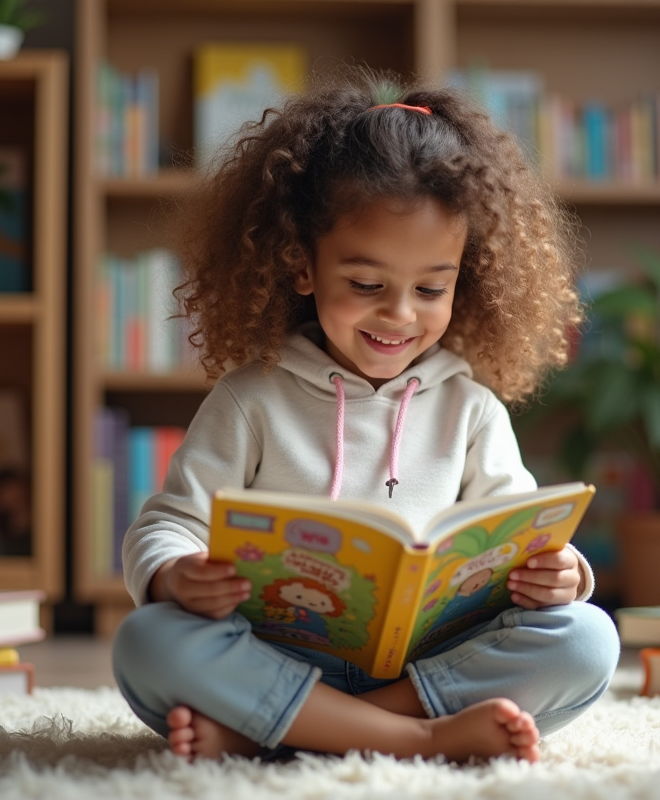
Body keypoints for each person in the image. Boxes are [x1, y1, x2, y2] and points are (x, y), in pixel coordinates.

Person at [111, 68, 620, 765]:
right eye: (366, 283)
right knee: (148, 641)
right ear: (302, 266)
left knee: (587, 639)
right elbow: (167, 525)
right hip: (273, 653)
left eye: (431, 289)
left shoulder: (472, 410)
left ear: (464, 279)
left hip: (423, 665)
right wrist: (175, 575)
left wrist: (562, 573)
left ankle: (284, 732)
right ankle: (418, 739)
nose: (399, 314)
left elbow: (519, 540)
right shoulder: (250, 398)